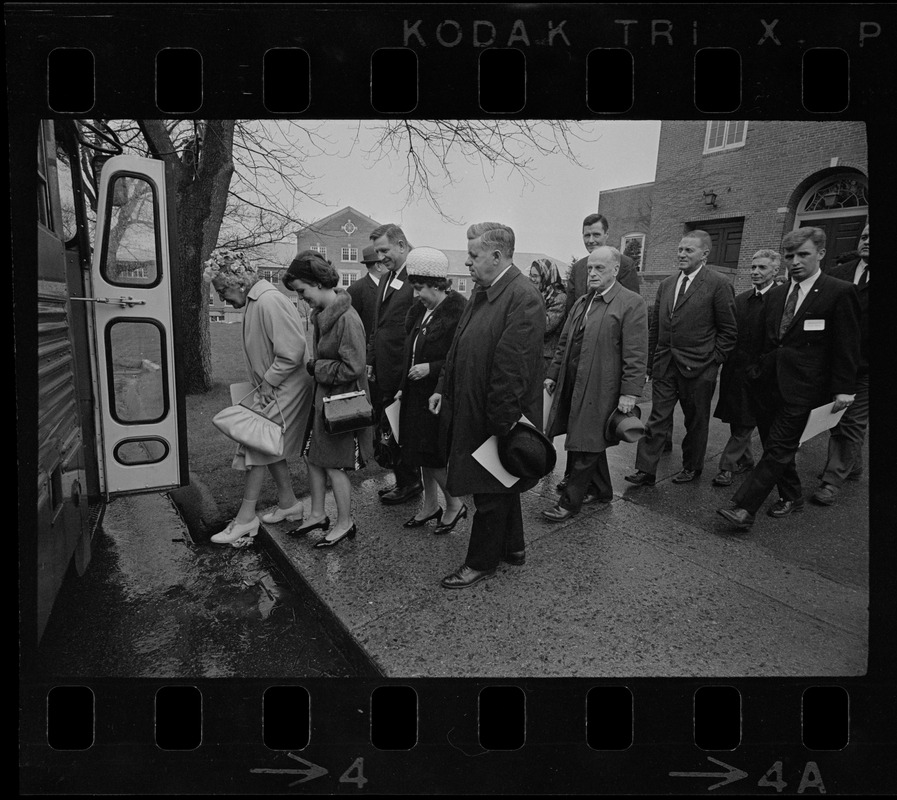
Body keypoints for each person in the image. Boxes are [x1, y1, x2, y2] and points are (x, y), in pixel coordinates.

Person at [718, 228, 861, 529]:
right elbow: (766, 340)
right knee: (774, 445)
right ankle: (792, 496)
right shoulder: (778, 293)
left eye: (803, 254)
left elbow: (846, 344)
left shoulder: (838, 291)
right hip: (768, 384)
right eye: (789, 256)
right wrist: (754, 373)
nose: (794, 261)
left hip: (806, 388)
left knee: (779, 447)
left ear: (821, 254)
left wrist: (844, 389)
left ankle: (744, 509)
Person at [429, 222, 545, 589]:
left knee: (489, 488)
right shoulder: (484, 291)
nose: (466, 263)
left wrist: (502, 425)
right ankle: (513, 548)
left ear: (497, 257)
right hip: (475, 405)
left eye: (473, 256)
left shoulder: (523, 297)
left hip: (497, 413)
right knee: (499, 481)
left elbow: (512, 368)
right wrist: (442, 386)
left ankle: (481, 562)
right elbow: (458, 346)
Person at [204, 249, 313, 547]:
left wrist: (268, 382)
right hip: (275, 386)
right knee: (266, 442)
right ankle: (289, 503)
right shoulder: (258, 300)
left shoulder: (268, 300)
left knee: (255, 445)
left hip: (285, 387)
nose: (222, 298)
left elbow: (292, 351)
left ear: (238, 282)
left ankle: (245, 519)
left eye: (222, 289)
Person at [541, 246, 648, 521]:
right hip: (573, 381)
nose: (593, 273)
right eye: (590, 268)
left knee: (585, 441)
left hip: (603, 386)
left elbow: (636, 353)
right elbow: (564, 342)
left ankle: (569, 502)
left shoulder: (631, 302)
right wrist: (553, 374)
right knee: (588, 435)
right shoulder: (582, 302)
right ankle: (602, 490)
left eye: (600, 268)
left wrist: (630, 393)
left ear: (615, 270)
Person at [625, 230, 737, 486]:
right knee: (657, 418)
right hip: (666, 365)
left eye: (689, 250)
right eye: (680, 249)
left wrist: (713, 362)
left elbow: (729, 331)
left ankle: (692, 466)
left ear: (704, 254)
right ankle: (645, 470)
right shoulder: (667, 285)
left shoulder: (718, 284)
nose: (682, 254)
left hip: (700, 368)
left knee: (696, 422)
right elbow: (656, 327)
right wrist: (651, 363)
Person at [282, 252, 374, 548]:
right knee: (313, 456)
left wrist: (316, 367)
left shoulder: (347, 318)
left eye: (301, 291)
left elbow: (354, 367)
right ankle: (318, 514)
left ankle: (345, 523)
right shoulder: (324, 312)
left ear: (318, 283)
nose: (300, 297)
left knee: (335, 464)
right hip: (325, 400)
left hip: (342, 405)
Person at [558, 212, 641, 491]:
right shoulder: (581, 268)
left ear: (606, 234)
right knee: (579, 424)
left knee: (590, 428)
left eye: (596, 234)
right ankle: (598, 487)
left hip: (604, 359)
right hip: (578, 357)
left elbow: (629, 332)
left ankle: (574, 491)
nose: (590, 240)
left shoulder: (624, 266)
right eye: (586, 235)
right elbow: (572, 310)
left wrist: (628, 389)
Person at [394, 247, 467, 532]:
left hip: (437, 394)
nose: (417, 294)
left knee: (433, 455)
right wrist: (402, 387)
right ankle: (429, 505)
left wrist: (431, 368)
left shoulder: (457, 311)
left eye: (421, 288)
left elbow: (457, 358)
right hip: (415, 392)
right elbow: (409, 353)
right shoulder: (421, 311)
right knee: (418, 453)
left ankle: (455, 503)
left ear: (438, 285)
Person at [711, 249, 780, 487]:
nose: (756, 272)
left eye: (762, 268)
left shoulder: (781, 299)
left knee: (746, 422)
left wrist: (762, 369)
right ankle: (747, 460)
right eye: (753, 267)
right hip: (735, 371)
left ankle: (726, 467)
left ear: (775, 270)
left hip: (763, 374)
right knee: (737, 418)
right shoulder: (740, 300)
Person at [367, 224, 424, 505]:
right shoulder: (387, 277)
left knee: (401, 426)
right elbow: (380, 326)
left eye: (385, 250)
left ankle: (410, 483)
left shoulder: (416, 279)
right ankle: (404, 479)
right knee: (390, 424)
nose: (381, 257)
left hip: (402, 370)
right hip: (384, 369)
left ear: (402, 245)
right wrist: (371, 361)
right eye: (378, 252)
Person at [814, 223, 869, 506]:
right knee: (836, 420)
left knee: (853, 423)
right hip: (834, 364)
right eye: (864, 236)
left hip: (866, 369)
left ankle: (831, 480)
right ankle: (852, 465)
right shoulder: (837, 275)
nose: (867, 241)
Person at [529, 257, 568, 370]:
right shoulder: (534, 294)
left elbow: (545, 326)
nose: (532, 279)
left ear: (546, 276)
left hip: (546, 358)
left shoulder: (559, 298)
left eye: (536, 276)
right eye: (531, 275)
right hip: (532, 353)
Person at [346, 244, 385, 339]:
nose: (390, 266)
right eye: (386, 263)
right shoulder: (356, 289)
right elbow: (351, 327)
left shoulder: (390, 286)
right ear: (378, 266)